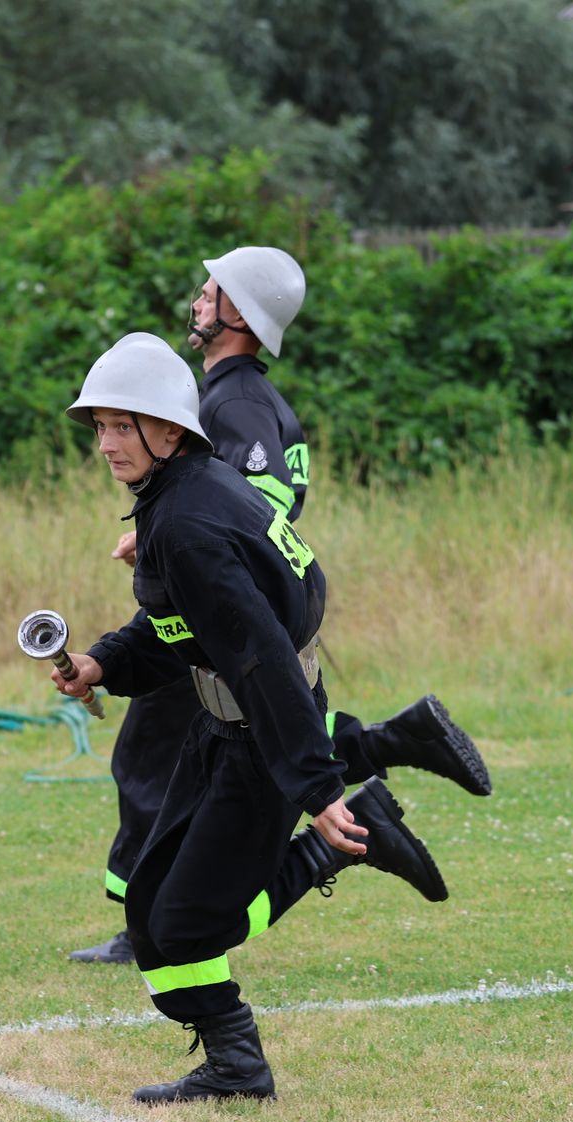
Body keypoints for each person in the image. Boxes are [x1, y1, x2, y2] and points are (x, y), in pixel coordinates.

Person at [51, 332, 453, 1104]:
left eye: (121, 425)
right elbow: (191, 629)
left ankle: (240, 1058)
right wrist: (104, 660)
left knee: (187, 925)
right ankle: (235, 1059)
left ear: (170, 429)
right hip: (224, 732)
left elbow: (261, 656)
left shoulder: (185, 523)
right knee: (153, 907)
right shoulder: (186, 494)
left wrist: (315, 785)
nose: (105, 442)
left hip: (257, 736)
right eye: (98, 425)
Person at [68, 247, 490, 965]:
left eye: (211, 294)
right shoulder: (234, 405)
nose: (198, 303)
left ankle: (163, 919)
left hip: (225, 619)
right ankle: (391, 746)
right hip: (215, 616)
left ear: (241, 314)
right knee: (218, 755)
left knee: (173, 772)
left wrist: (171, 537)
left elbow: (256, 508)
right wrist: (110, 651)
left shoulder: (231, 403)